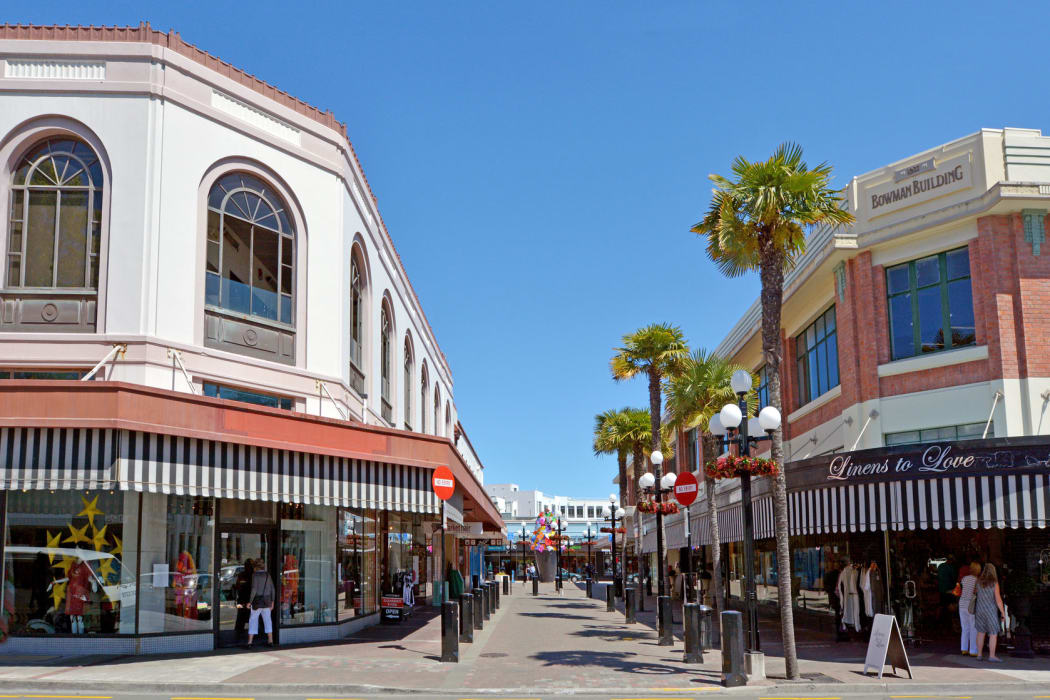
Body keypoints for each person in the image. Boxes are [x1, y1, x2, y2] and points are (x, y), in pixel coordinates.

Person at [974, 563, 1006, 662]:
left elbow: (975, 593)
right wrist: (1003, 612)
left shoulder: (978, 582)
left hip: (979, 610)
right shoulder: (994, 583)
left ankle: (979, 655)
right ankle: (992, 656)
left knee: (980, 632)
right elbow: (998, 600)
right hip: (990, 611)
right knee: (993, 633)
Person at [246, 554, 276, 649]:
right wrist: (272, 602)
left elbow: (254, 589)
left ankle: (250, 642)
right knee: (267, 620)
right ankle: (270, 641)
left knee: (253, 620)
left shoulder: (255, 575)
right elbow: (272, 589)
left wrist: (250, 602)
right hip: (267, 601)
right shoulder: (268, 575)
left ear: (255, 566)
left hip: (257, 602)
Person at [958, 561, 980, 656]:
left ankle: (964, 648)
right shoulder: (977, 580)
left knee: (964, 627)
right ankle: (973, 650)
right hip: (971, 605)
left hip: (962, 604)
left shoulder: (964, 579)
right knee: (973, 628)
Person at [234, 558, 254, 642]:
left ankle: (239, 634)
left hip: (249, 599)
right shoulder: (242, 575)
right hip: (244, 599)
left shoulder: (252, 575)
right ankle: (238, 634)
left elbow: (237, 586)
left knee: (246, 618)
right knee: (243, 618)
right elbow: (237, 586)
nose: (248, 567)